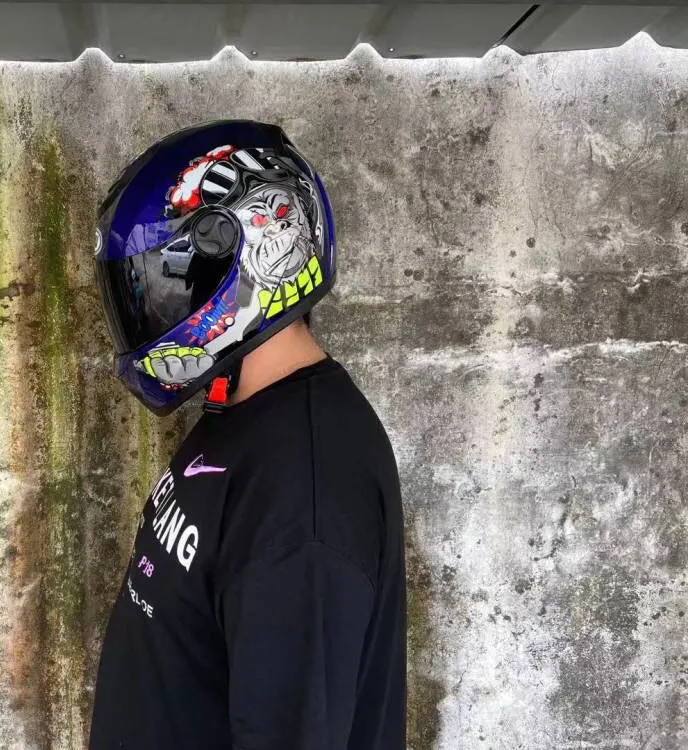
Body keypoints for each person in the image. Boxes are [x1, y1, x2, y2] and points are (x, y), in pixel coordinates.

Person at [89, 119, 407, 749]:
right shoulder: (244, 412)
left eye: (162, 280)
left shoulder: (307, 494)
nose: (149, 308)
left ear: (255, 248)